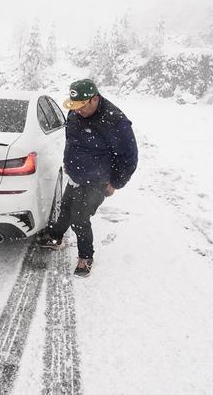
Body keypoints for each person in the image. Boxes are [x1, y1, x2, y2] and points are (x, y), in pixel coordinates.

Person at [37, 78, 138, 277]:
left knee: (80, 219)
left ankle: (86, 257)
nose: (77, 110)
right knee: (66, 208)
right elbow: (71, 139)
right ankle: (55, 238)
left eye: (82, 106)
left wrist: (115, 183)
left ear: (95, 99)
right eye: (74, 106)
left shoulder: (115, 120)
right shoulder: (75, 111)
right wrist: (68, 162)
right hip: (76, 175)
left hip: (97, 180)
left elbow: (129, 157)